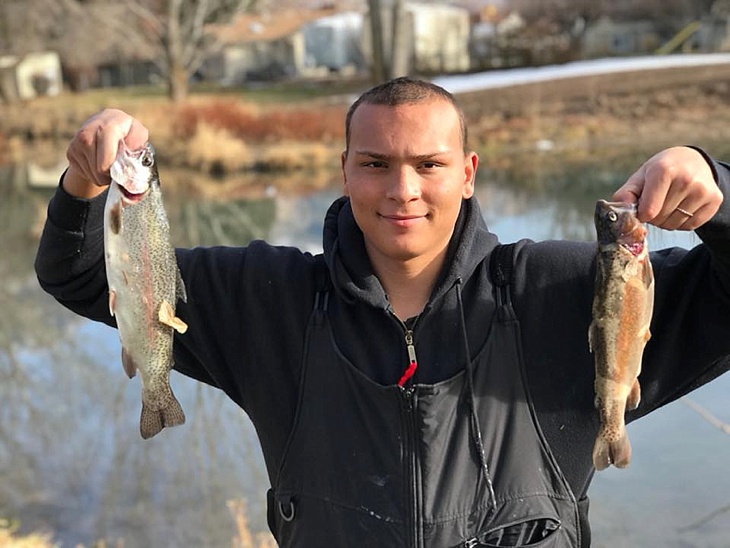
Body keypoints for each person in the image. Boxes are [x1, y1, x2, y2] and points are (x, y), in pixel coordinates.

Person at [35, 77, 730, 547]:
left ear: (468, 173)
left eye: (429, 164)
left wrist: (715, 186)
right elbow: (81, 275)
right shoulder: (267, 301)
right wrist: (82, 184)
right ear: (344, 170)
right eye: (375, 164)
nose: (402, 189)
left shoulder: (563, 291)